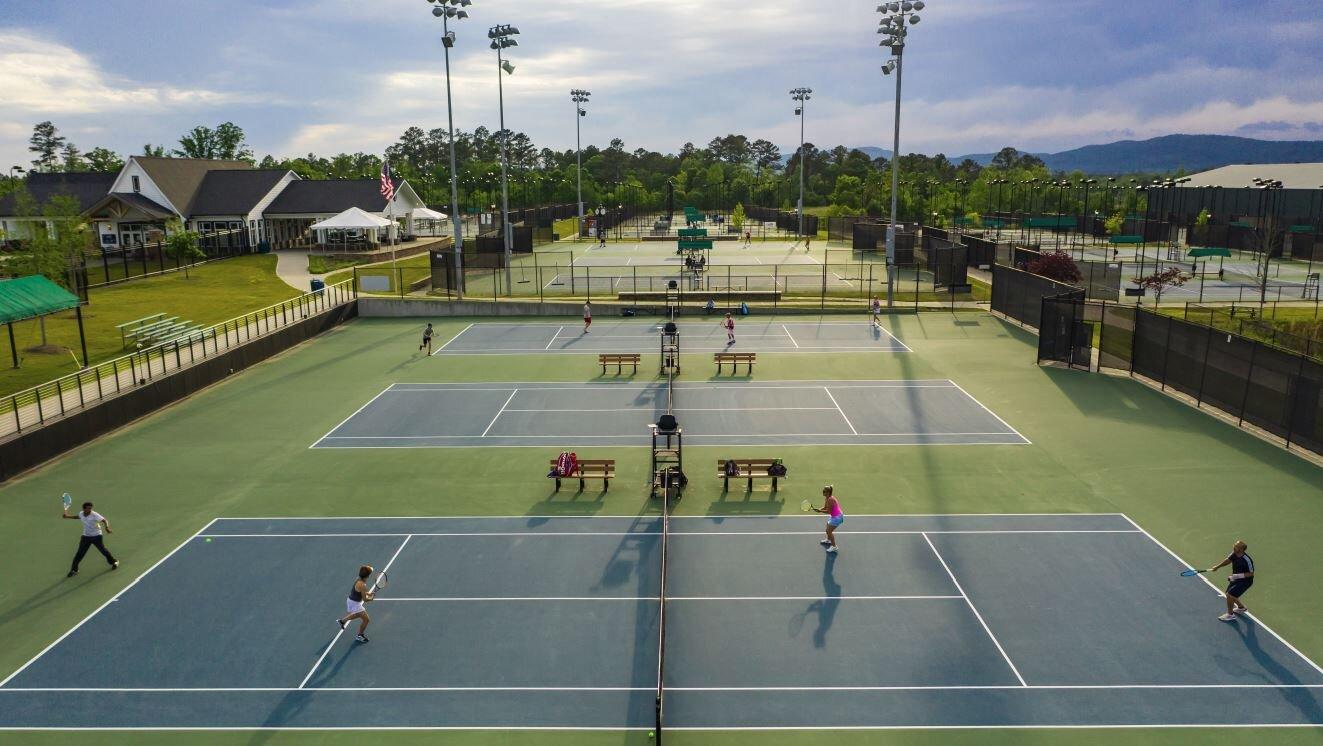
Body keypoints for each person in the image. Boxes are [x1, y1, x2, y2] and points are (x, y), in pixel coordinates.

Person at [63, 501, 118, 577]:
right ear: (84, 509)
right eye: (88, 508)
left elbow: (104, 520)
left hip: (97, 535)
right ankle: (74, 570)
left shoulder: (94, 514)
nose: (90, 510)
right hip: (86, 536)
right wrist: (68, 516)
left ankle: (114, 562)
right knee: (79, 554)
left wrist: (107, 528)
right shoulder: (81, 513)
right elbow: (78, 517)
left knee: (103, 551)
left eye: (91, 508)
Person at [1207, 540, 1254, 622]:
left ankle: (1230, 615)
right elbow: (1228, 560)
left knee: (1230, 595)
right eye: (1234, 545)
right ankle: (1241, 608)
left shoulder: (1247, 560)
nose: (1233, 547)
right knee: (1229, 594)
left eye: (1236, 546)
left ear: (1241, 549)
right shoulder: (1234, 554)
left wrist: (1236, 576)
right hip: (1236, 578)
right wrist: (1217, 567)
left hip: (1246, 581)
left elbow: (1251, 573)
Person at [337, 565, 377, 643]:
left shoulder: (358, 579)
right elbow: (365, 600)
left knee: (357, 614)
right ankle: (360, 635)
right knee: (366, 620)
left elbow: (359, 591)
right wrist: (370, 599)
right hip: (355, 603)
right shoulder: (363, 585)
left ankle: (341, 621)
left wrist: (368, 593)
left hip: (351, 600)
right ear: (368, 576)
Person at [813, 486, 844, 554]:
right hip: (834, 516)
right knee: (827, 528)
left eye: (824, 491)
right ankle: (828, 540)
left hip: (837, 517)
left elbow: (829, 511)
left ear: (828, 492)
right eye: (823, 491)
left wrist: (820, 511)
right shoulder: (827, 498)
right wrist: (819, 509)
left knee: (829, 531)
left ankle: (834, 547)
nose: (823, 492)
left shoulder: (830, 499)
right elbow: (825, 507)